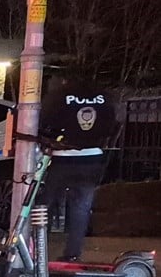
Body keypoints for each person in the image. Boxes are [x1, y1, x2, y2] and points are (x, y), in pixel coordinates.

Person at [37, 74, 117, 262]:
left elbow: (45, 121)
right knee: (81, 207)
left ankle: (39, 252)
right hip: (92, 159)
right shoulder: (103, 97)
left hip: (63, 158)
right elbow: (111, 124)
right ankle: (72, 254)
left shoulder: (60, 96)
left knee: (45, 206)